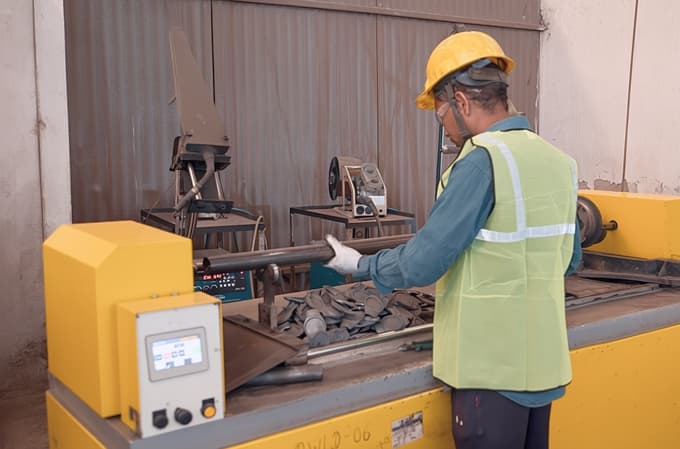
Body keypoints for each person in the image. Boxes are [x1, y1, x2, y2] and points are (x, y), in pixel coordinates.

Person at [324, 31, 581, 449]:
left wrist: (359, 265)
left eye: (440, 113)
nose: (443, 126)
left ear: (461, 103)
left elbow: (426, 260)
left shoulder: (483, 162)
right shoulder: (557, 162)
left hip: (491, 373)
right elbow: (568, 260)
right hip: (544, 368)